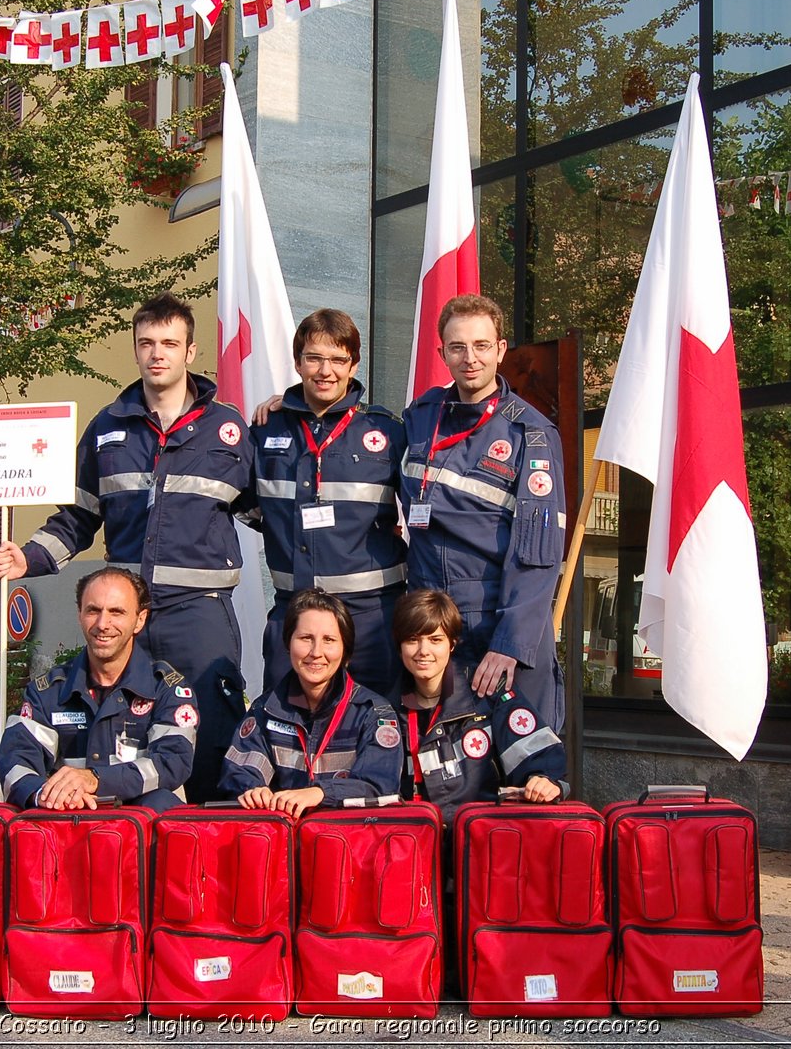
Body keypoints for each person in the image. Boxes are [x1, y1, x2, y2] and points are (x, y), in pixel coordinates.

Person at [0, 292, 251, 803]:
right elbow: (79, 514)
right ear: (135, 350)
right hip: (126, 612)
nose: (158, 353)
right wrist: (31, 557)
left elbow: (270, 510)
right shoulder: (106, 428)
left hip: (199, 615)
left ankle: (206, 843)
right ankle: (122, 841)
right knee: (119, 732)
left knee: (212, 728)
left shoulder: (229, 429)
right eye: (147, 342)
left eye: (170, 343)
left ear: (190, 352)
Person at [398, 293, 568, 733]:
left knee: (522, 772)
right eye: (457, 347)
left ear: (501, 349)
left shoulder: (530, 433)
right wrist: (288, 406)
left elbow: (539, 552)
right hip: (434, 629)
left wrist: (510, 644)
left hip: (500, 623)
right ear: (442, 353)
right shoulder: (420, 418)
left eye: (481, 346)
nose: (469, 358)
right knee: (444, 770)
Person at [246, 309, 407, 694]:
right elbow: (246, 505)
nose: (325, 370)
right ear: (298, 362)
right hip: (294, 613)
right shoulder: (267, 430)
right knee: (286, 729)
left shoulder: (386, 430)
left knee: (379, 728)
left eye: (338, 359)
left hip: (372, 617)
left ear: (354, 365)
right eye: (314, 358)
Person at [0, 567, 195, 812]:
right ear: (80, 614)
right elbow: (14, 761)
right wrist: (45, 795)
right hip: (69, 823)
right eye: (93, 610)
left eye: (116, 612)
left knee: (166, 808)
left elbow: (172, 762)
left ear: (139, 620)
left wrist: (96, 780)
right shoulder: (48, 692)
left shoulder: (166, 689)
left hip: (140, 831)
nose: (103, 624)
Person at [219, 590, 403, 817]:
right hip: (284, 841)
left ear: (346, 651)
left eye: (329, 640)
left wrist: (321, 793)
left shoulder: (374, 714)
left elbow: (379, 785)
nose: (316, 652)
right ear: (288, 644)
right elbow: (238, 771)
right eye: (306, 638)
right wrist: (252, 791)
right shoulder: (264, 711)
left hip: (350, 842)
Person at [391, 589, 567, 824]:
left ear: (452, 644)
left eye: (435, 640)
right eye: (413, 640)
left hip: (480, 840)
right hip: (413, 842)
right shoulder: (385, 709)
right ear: (399, 645)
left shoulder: (488, 694)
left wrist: (544, 779)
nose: (424, 651)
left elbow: (538, 751)